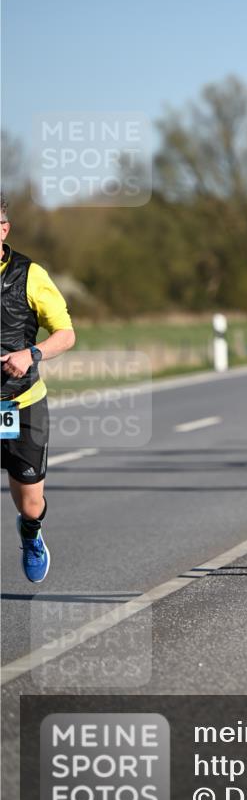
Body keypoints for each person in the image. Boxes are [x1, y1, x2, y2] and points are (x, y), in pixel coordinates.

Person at [1, 195, 76, 583]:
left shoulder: (30, 275)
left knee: (30, 504)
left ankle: (31, 533)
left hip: (21, 400)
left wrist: (31, 354)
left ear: (3, 229)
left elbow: (65, 334)